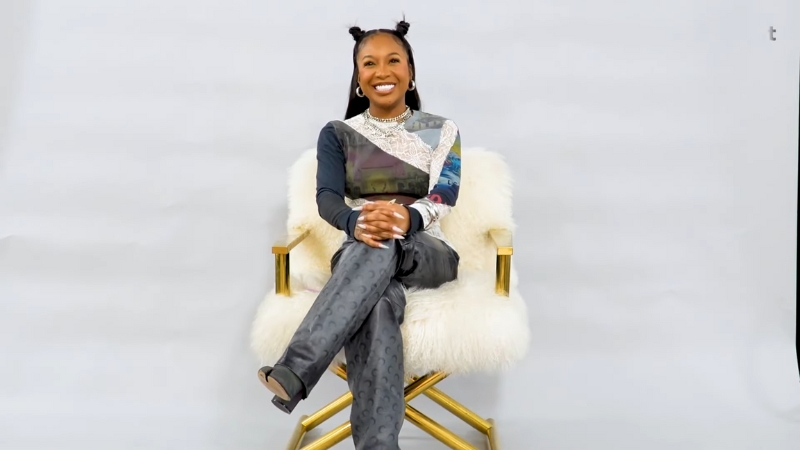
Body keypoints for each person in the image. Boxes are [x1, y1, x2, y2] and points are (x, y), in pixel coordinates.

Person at [258, 19, 462, 450]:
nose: (381, 71)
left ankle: (296, 368)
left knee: (386, 236)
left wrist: (406, 220)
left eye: (393, 61)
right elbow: (327, 199)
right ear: (358, 79)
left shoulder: (442, 129)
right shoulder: (338, 134)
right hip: (361, 247)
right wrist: (354, 222)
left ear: (410, 72)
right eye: (369, 64)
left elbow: (446, 193)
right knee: (378, 305)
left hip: (429, 250)